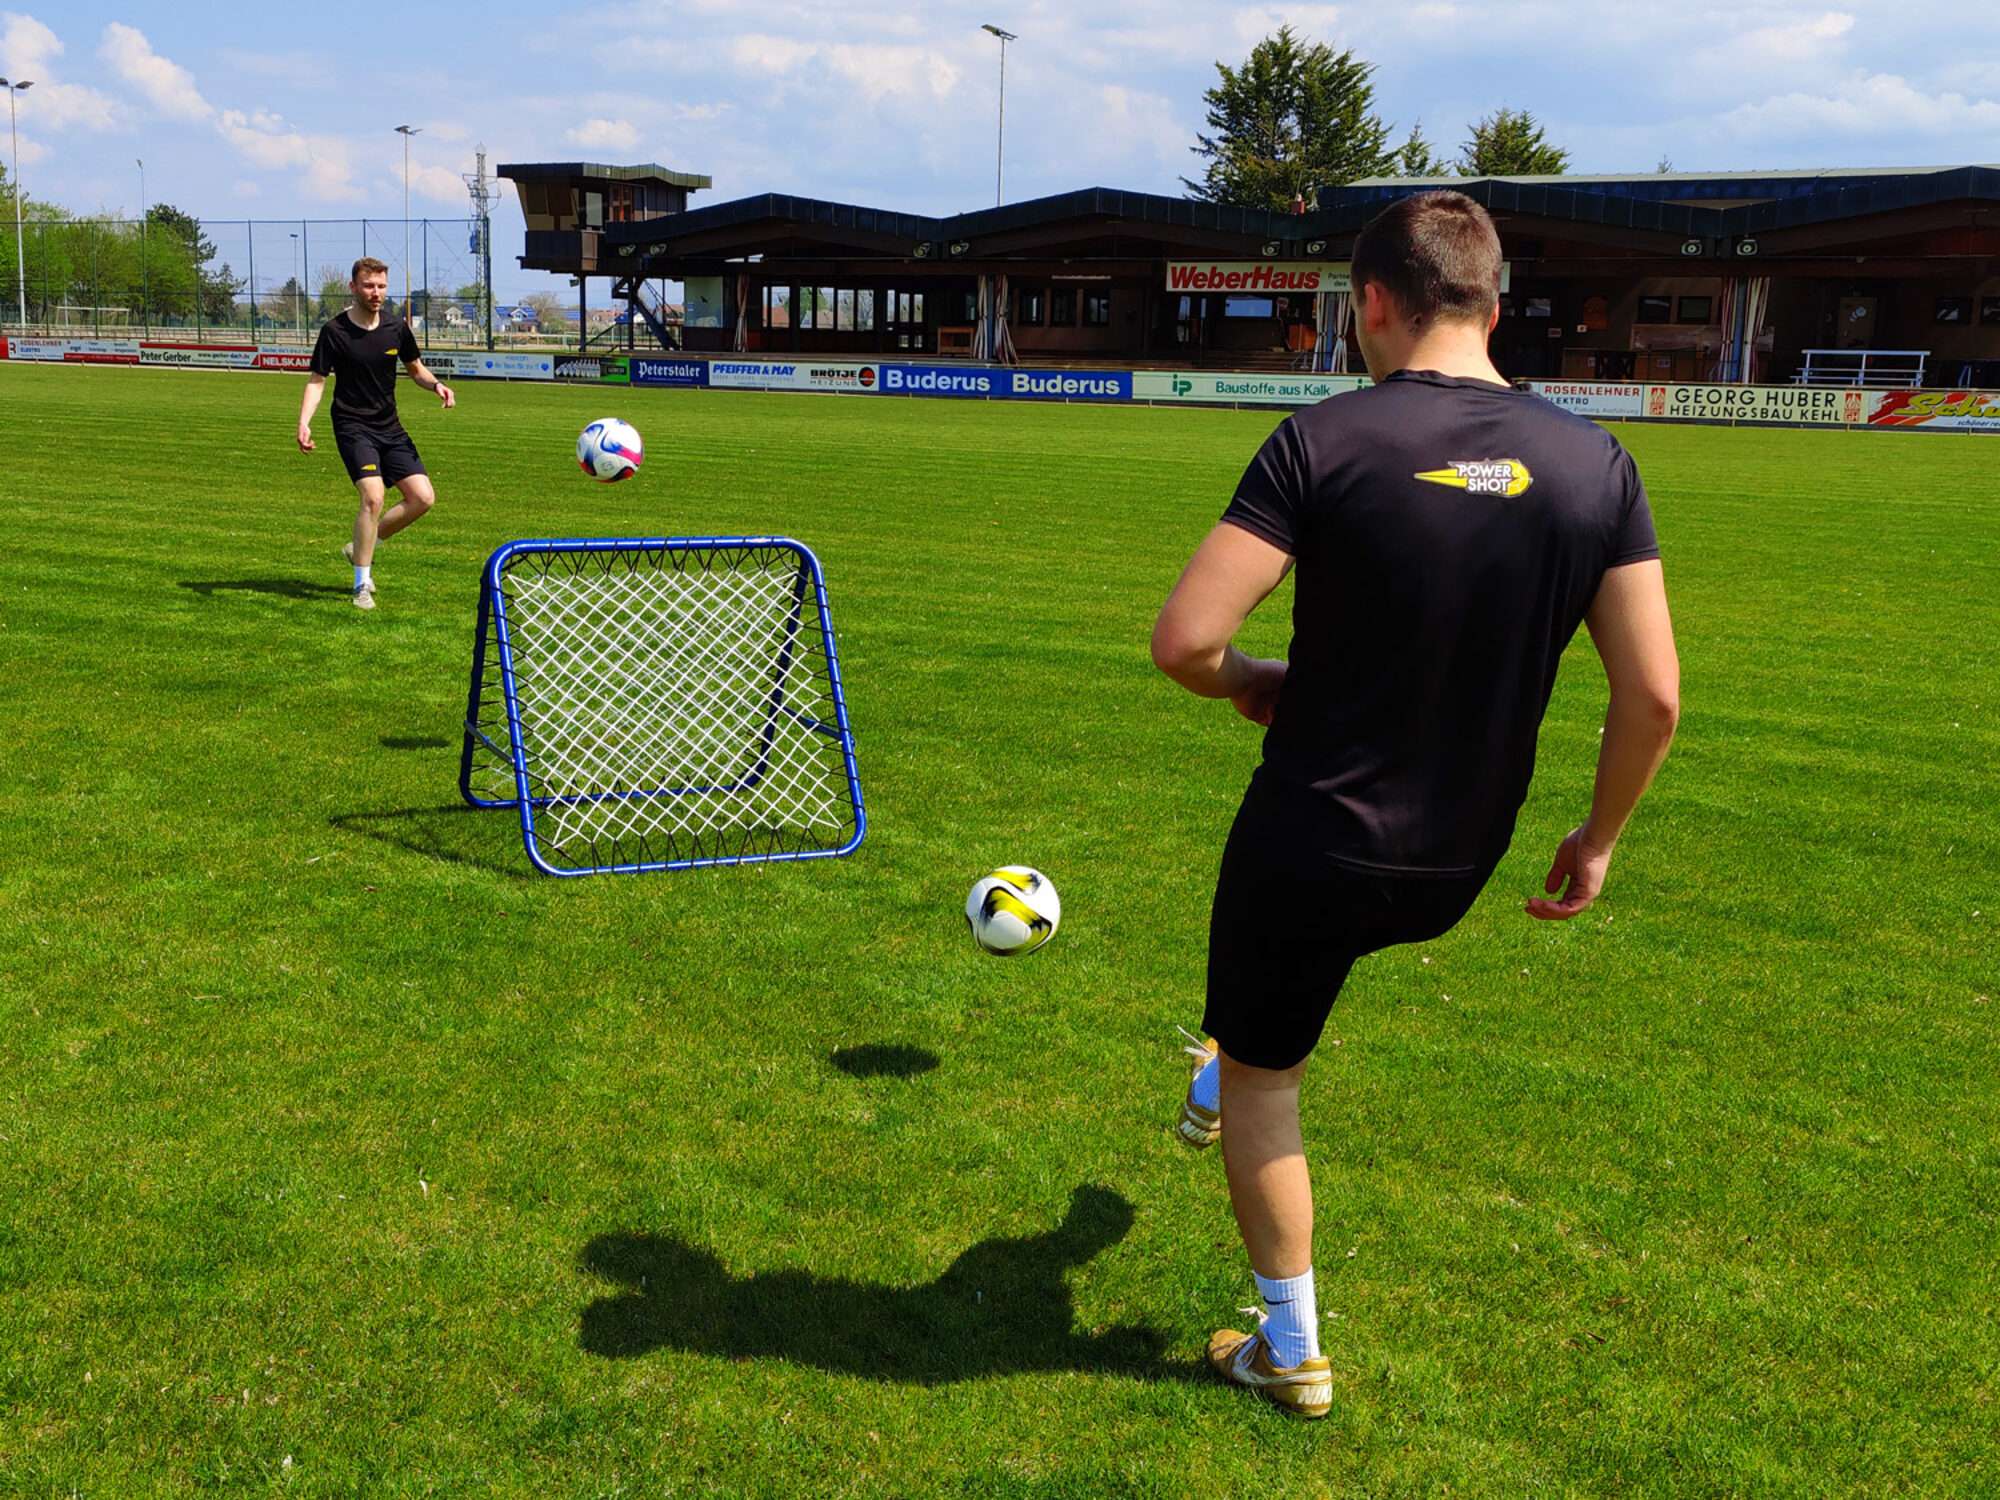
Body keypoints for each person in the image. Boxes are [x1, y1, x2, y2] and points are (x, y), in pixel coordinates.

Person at [1151, 190, 1679, 1419]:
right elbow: (1650, 697)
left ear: (1370, 304)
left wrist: (1249, 684)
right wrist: (1595, 841)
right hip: (1456, 861)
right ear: (1493, 304)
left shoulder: (1321, 440)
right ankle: (1216, 1070)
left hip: (1312, 841)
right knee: (1262, 1020)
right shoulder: (1595, 461)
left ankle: (1287, 1349)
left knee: (1268, 1078)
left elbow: (1185, 642)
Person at [297, 257, 455, 610]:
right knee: (372, 497)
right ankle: (361, 583)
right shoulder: (334, 332)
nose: (376, 293)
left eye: (382, 286)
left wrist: (436, 386)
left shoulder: (395, 328)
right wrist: (304, 421)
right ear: (353, 287)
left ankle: (361, 546)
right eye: (369, 286)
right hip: (352, 426)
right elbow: (316, 382)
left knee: (423, 498)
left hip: (390, 426)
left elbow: (415, 369)